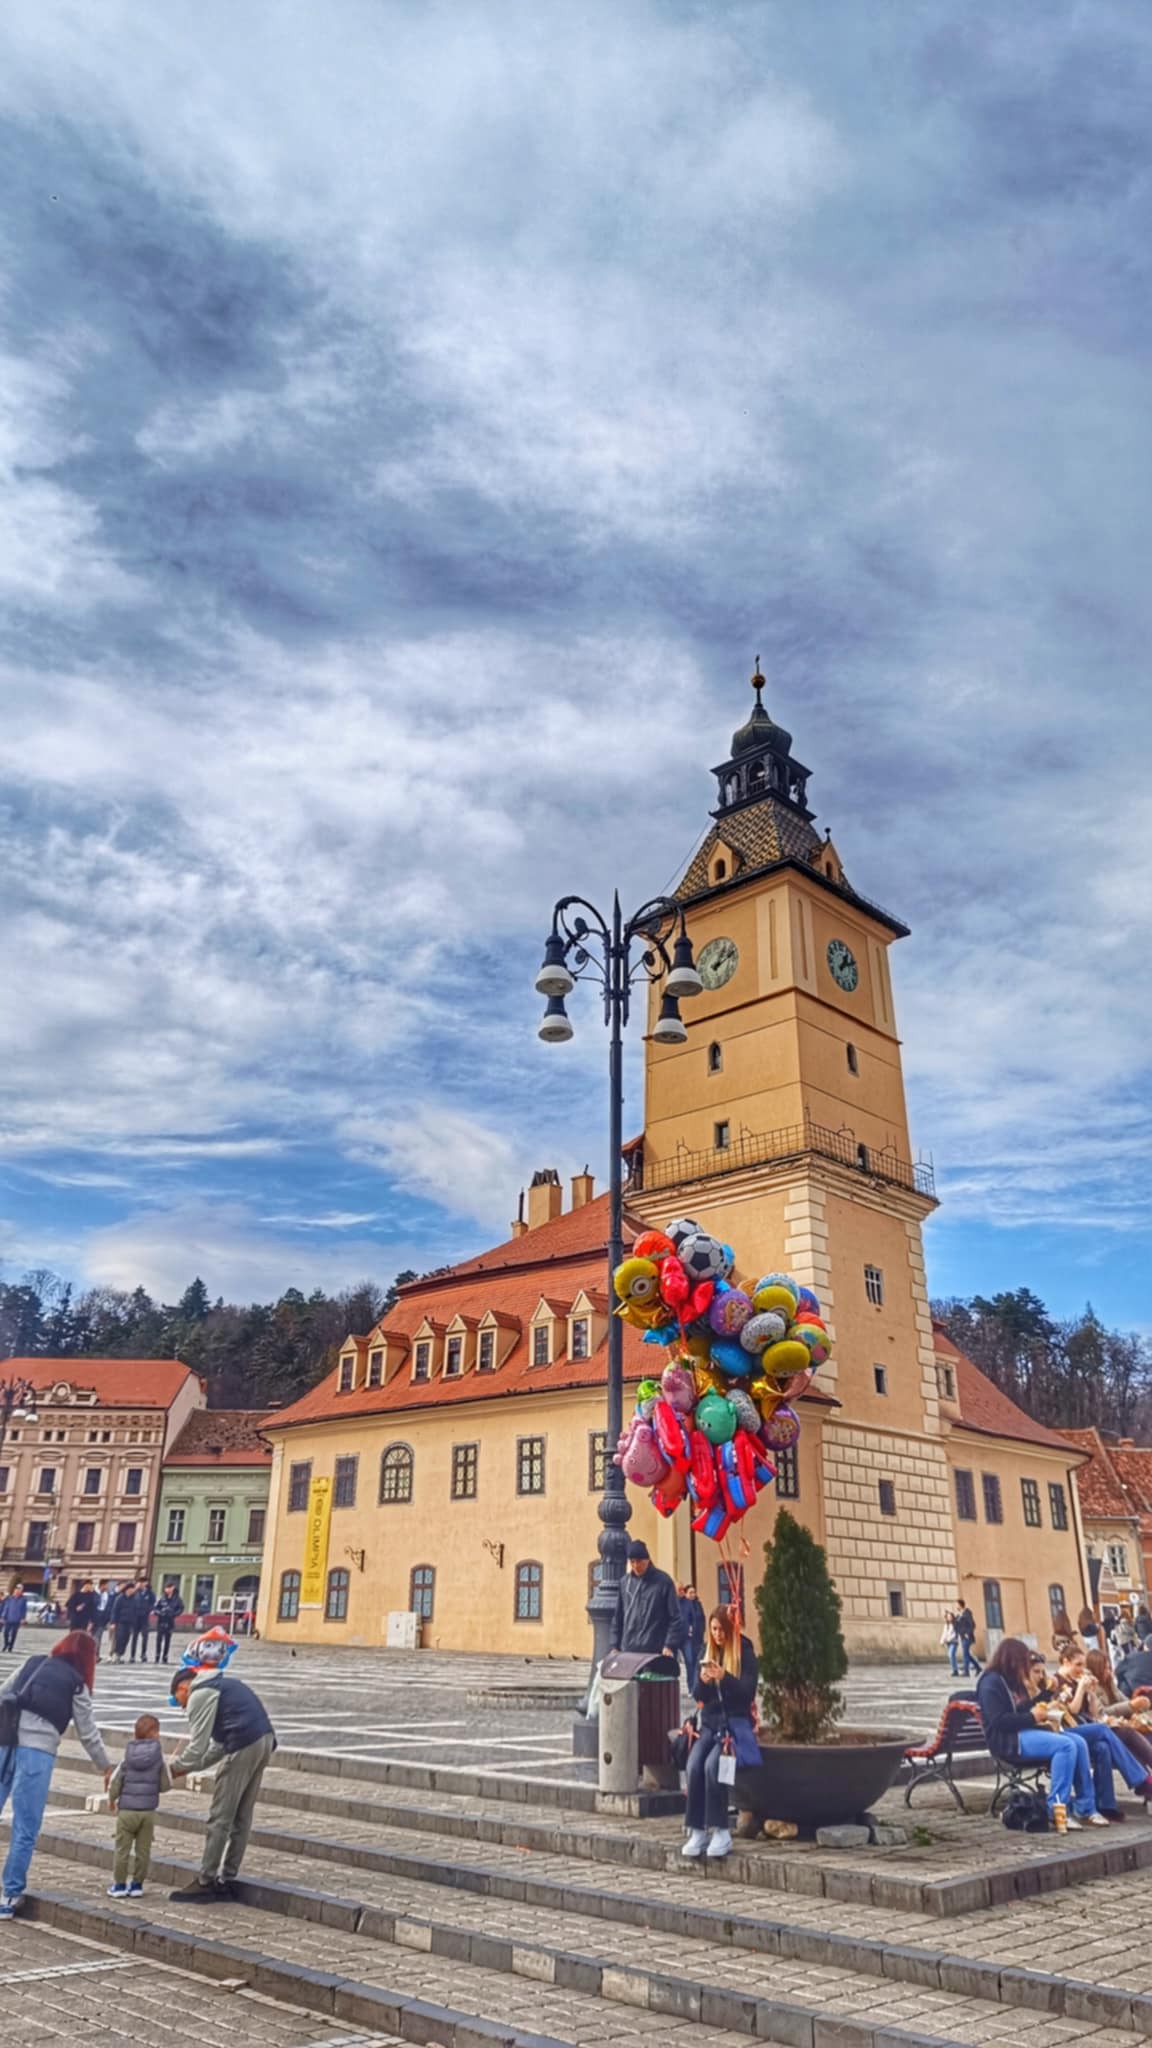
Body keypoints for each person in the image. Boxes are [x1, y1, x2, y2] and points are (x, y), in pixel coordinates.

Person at [0, 1630, 112, 1916]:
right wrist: (106, 1766)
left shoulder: (33, 1662)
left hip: (4, 1743)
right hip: (37, 1753)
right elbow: (88, 1733)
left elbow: (3, 1693)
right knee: (25, 1826)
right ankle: (9, 1895)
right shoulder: (77, 1684)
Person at [167, 1658, 277, 1902]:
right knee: (242, 1816)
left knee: (221, 1817)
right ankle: (228, 1878)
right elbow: (216, 1748)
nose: (183, 1708)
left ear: (183, 1688)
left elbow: (198, 1746)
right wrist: (187, 1769)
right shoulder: (223, 1685)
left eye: (179, 1700)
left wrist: (174, 1769)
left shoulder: (199, 1693)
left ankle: (206, 1882)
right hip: (264, 1741)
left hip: (242, 1744)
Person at [682, 1605, 758, 1861]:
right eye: (714, 1629)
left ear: (731, 1630)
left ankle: (721, 1830)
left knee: (713, 1767)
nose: (717, 1635)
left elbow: (747, 1692)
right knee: (694, 1765)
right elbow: (697, 1694)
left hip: (733, 1725)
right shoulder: (706, 1651)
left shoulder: (745, 1652)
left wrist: (725, 1677)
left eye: (722, 1630)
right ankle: (697, 1829)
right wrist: (703, 1682)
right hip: (709, 1724)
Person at [1053, 1647, 1152, 1808]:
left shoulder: (1084, 1681)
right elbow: (1073, 1710)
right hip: (1069, 1730)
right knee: (1114, 1731)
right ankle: (1141, 1779)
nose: (1081, 1669)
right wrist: (1081, 1689)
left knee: (1103, 1747)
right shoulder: (1058, 1682)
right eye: (1078, 1664)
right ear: (1065, 1662)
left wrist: (1091, 1693)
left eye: (1083, 1665)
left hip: (1087, 1726)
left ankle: (1107, 1805)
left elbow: (1093, 1713)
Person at [107, 1712, 173, 1898]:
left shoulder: (127, 1756)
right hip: (148, 1812)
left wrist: (111, 1799)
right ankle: (137, 1885)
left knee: (122, 1850)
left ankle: (119, 1886)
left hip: (127, 1811)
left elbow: (116, 1781)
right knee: (143, 1850)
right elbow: (165, 1785)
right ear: (156, 1734)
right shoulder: (158, 1758)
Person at [609, 1542, 681, 1666]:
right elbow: (618, 1616)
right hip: (628, 1649)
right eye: (632, 1562)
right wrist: (614, 1645)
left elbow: (675, 1617)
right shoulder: (624, 1583)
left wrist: (669, 1645)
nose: (636, 1566)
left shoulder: (663, 1581)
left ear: (647, 1560)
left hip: (654, 1650)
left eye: (639, 1561)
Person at [1083, 1649, 1152, 1774]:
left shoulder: (1109, 1682)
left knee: (1145, 1732)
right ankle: (1145, 1779)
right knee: (1130, 1736)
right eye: (1104, 1668)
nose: (1108, 1671)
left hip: (1120, 1722)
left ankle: (1145, 1779)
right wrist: (1130, 1706)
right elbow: (1101, 1712)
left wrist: (1138, 1705)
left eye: (1108, 1667)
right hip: (1107, 1726)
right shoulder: (1092, 1687)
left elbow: (1122, 1699)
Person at [678, 1583, 705, 1695]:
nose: (693, 1594)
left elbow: (698, 1620)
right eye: (690, 1592)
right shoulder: (675, 1602)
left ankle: (693, 1687)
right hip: (678, 1637)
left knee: (692, 1662)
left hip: (693, 1638)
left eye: (694, 1592)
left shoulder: (695, 1605)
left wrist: (694, 1630)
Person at [154, 1583, 182, 1664]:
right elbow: (155, 1608)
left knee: (167, 1639)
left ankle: (165, 1656)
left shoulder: (177, 1599)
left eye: (169, 1588)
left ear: (173, 1588)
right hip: (161, 1620)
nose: (168, 1589)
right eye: (166, 1588)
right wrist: (159, 1613)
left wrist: (174, 1614)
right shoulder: (161, 1598)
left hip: (170, 1621)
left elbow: (180, 1608)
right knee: (159, 1639)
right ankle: (157, 1655)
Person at [129, 1580, 155, 1664]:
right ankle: (132, 1655)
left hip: (144, 1618)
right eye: (140, 1583)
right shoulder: (135, 1592)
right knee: (134, 1637)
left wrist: (148, 1610)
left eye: (143, 1583)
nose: (141, 1585)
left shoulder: (150, 1593)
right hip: (135, 1618)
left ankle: (143, 1654)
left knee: (145, 1637)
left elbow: (153, 1603)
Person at [953, 1599, 981, 1676]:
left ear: (960, 1605)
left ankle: (966, 1672)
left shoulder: (967, 1613)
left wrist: (967, 1633)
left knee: (965, 1654)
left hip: (967, 1637)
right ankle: (978, 1667)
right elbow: (957, 1626)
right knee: (967, 1654)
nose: (956, 1606)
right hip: (962, 1637)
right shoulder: (959, 1614)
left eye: (956, 1604)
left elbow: (972, 1624)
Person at [1, 1585, 28, 1656]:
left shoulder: (23, 1599)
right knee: (5, 1633)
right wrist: (3, 1617)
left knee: (13, 1634)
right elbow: (6, 1608)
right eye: (17, 1590)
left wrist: (23, 1618)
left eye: (20, 1590)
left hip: (17, 1619)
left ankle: (10, 1646)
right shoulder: (9, 1598)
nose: (18, 1591)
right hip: (8, 1618)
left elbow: (24, 1610)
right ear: (14, 1590)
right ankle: (6, 1644)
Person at [92, 1582, 113, 1661]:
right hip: (93, 1618)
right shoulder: (94, 1593)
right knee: (92, 1637)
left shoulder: (107, 1595)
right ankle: (92, 1655)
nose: (107, 1587)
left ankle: (96, 1655)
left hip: (102, 1619)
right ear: (102, 1585)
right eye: (106, 1586)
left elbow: (108, 1606)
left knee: (98, 1637)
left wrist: (107, 1618)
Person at [940, 1608, 959, 1677]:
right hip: (948, 1643)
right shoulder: (946, 1625)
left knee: (951, 1654)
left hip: (954, 1642)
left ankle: (955, 1670)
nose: (949, 1618)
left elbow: (955, 1634)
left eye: (950, 1617)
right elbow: (944, 1633)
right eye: (948, 1617)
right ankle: (955, 1669)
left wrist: (948, 1639)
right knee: (951, 1656)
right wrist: (942, 1641)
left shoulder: (955, 1624)